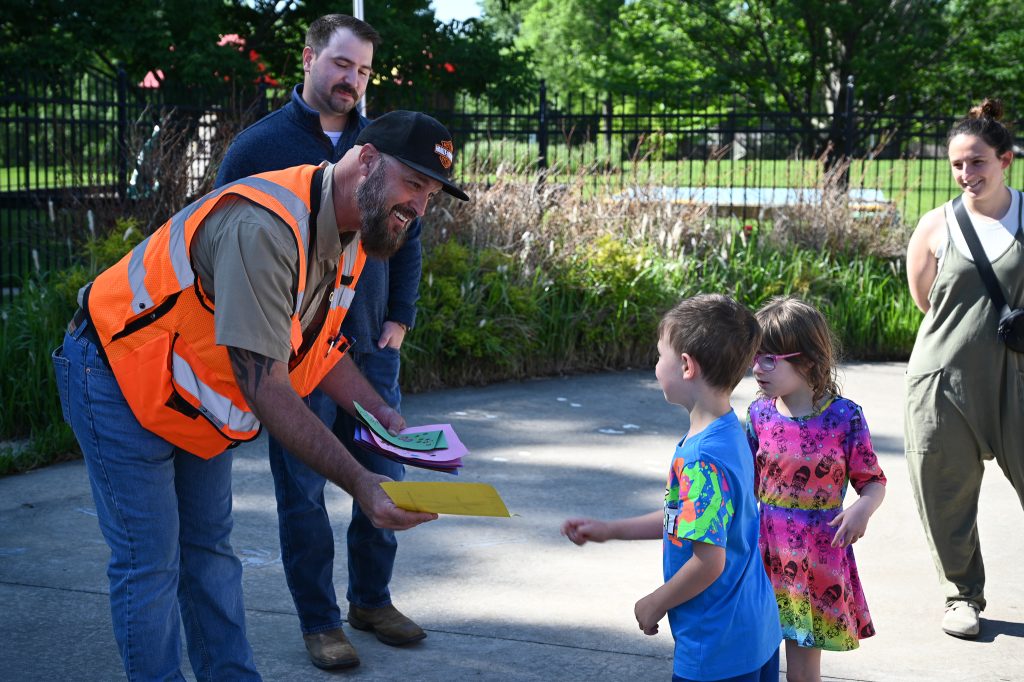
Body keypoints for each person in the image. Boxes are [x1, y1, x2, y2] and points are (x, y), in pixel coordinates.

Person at [51, 110, 468, 681]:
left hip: (183, 395)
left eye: (432, 195)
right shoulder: (266, 227)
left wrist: (387, 420)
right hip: (114, 377)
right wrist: (363, 484)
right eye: (414, 184)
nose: (419, 208)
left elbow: (317, 350)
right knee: (151, 565)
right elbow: (265, 385)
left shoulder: (350, 232)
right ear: (367, 162)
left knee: (211, 555)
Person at [215, 14, 428, 670]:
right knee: (303, 489)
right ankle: (320, 621)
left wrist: (401, 317)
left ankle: (372, 598)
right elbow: (227, 245)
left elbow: (411, 237)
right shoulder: (257, 147)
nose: (351, 80)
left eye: (362, 71)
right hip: (294, 350)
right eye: (341, 64)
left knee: (384, 473)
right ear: (309, 58)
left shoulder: (382, 142)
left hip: (366, 348)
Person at [562, 294, 782, 682]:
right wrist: (612, 530)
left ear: (685, 366)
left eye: (659, 355)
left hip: (715, 648)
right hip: (755, 632)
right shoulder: (731, 432)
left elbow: (708, 561)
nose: (654, 366)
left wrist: (655, 603)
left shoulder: (702, 458)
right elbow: (689, 519)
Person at [904, 98, 1024, 640]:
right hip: (942, 380)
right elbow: (925, 299)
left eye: (977, 162)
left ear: (1006, 160)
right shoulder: (937, 224)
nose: (966, 174)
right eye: (957, 164)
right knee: (945, 490)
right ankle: (961, 595)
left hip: (1017, 379)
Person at [745, 296, 886, 682]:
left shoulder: (844, 417)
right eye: (755, 356)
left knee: (803, 661)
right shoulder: (758, 414)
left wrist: (862, 509)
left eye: (770, 358)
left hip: (816, 555)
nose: (757, 368)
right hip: (765, 551)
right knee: (754, 649)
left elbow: (872, 480)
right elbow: (743, 483)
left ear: (807, 359)